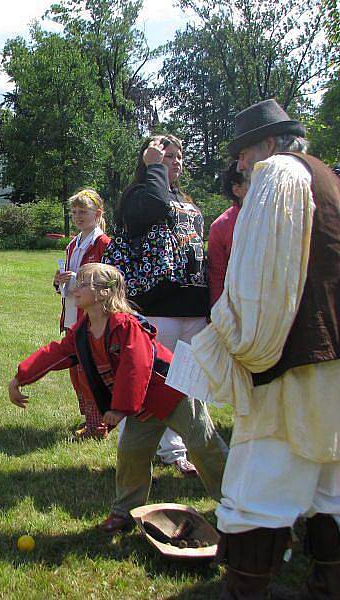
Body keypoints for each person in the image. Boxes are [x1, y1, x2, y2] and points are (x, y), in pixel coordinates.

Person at [191, 99, 340, 598]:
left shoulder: (278, 176)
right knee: (331, 482)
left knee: (255, 488)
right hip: (339, 355)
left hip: (292, 360)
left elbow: (260, 280)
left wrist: (241, 342)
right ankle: (328, 585)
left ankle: (247, 591)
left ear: (267, 145)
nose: (239, 164)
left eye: (243, 151)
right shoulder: (327, 176)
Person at [9, 263, 228, 534]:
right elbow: (57, 353)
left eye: (84, 283)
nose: (75, 287)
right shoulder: (84, 330)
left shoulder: (126, 325)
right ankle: (124, 514)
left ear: (103, 292)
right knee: (131, 455)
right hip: (140, 404)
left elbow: (135, 367)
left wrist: (121, 408)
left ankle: (235, 505)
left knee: (202, 444)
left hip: (173, 393)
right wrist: (21, 377)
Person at [114, 134, 208, 477]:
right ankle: (135, 449)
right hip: (157, 305)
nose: (176, 160)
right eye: (168, 155)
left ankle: (179, 449)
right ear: (150, 158)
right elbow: (150, 211)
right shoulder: (139, 194)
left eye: (179, 155)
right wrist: (154, 168)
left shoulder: (185, 199)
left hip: (193, 304)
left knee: (188, 382)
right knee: (148, 379)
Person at [53, 189, 110, 440]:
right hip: (71, 314)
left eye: (83, 212)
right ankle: (90, 417)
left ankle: (98, 424)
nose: (77, 216)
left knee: (91, 370)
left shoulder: (103, 244)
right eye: (74, 212)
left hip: (91, 316)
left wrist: (76, 280)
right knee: (76, 369)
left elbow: (106, 281)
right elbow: (67, 280)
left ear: (97, 214)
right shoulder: (73, 244)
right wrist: (59, 281)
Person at [207, 162, 246, 308]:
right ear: (237, 189)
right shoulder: (221, 226)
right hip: (237, 308)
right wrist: (217, 312)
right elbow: (217, 275)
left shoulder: (276, 215)